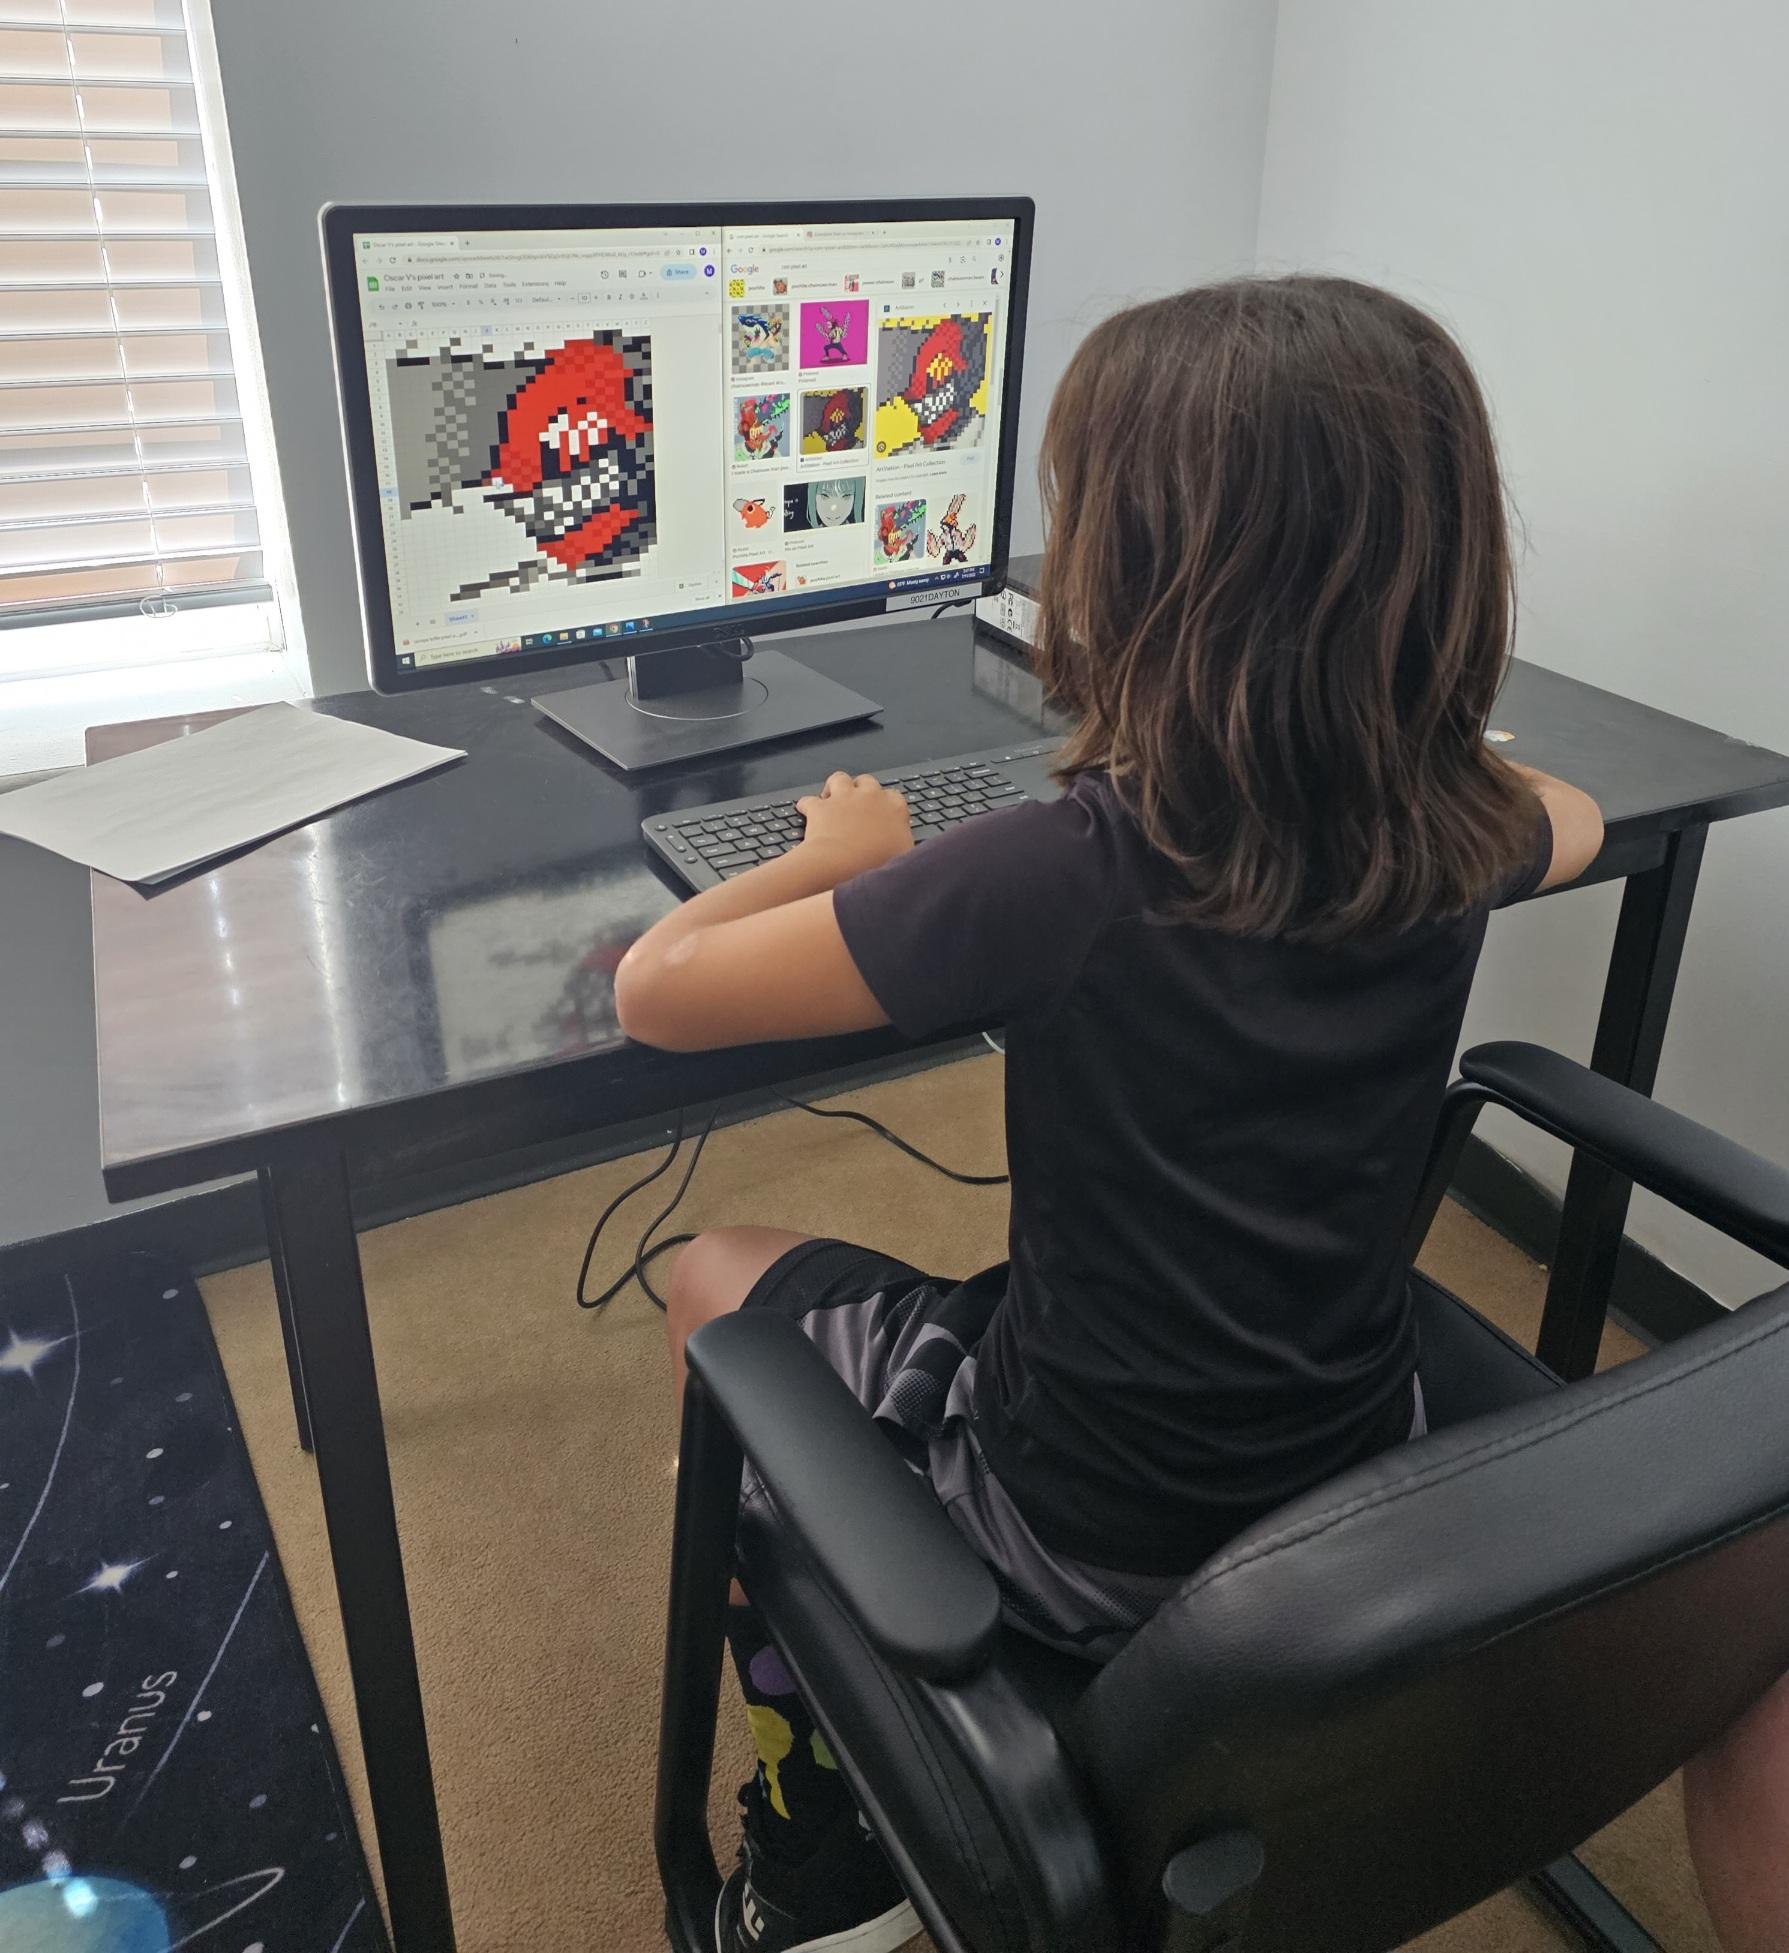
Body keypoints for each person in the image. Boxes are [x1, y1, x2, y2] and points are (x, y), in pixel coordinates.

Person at [617, 276, 1614, 1953]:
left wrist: (835, 853)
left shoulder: (1064, 870)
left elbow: (656, 988)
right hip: (1347, 1465)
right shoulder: (1457, 824)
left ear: (1130, 570)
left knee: (711, 1273)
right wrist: (1432, 753)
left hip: (1075, 1526)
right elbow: (1569, 810)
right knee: (919, 1293)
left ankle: (822, 1834)